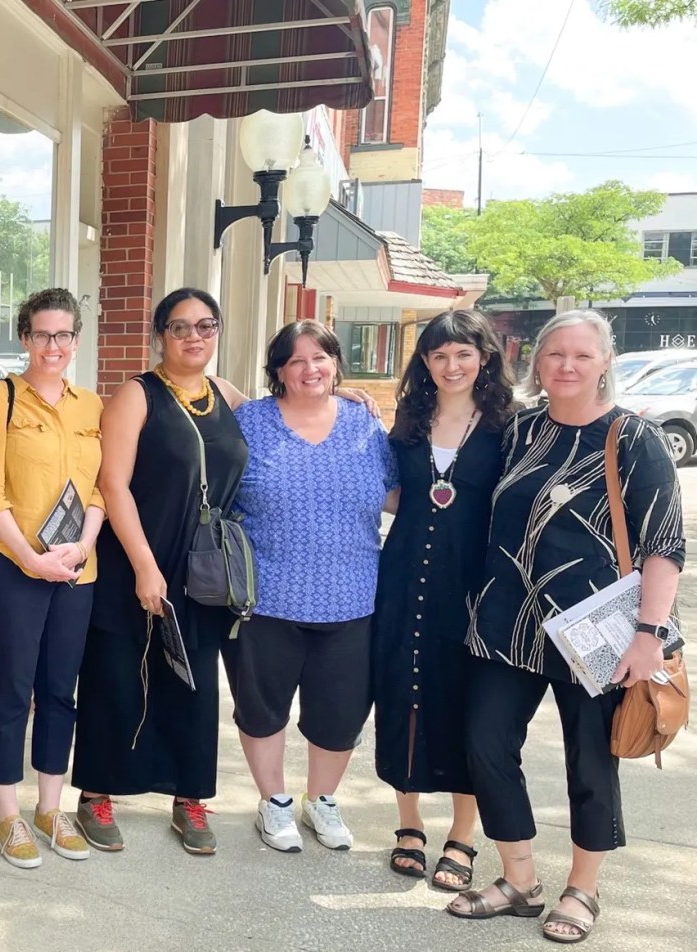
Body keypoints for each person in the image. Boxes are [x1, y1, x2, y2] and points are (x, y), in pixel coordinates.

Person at [451, 309, 685, 942]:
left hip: (596, 636)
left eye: (582, 356)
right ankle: (518, 879)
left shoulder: (634, 439)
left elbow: (663, 547)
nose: (567, 367)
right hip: (506, 625)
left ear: (605, 361)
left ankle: (583, 889)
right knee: (486, 746)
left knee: (590, 760)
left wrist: (648, 634)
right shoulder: (520, 430)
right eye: (555, 355)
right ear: (538, 361)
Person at [71, 287, 250, 855]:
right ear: (160, 335)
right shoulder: (136, 394)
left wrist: (346, 397)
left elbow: (290, 413)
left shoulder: (226, 394)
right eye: (180, 327)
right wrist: (147, 568)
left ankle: (189, 797)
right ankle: (97, 792)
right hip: (137, 558)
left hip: (203, 565)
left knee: (193, 682)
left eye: (205, 325)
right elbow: (113, 485)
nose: (194, 337)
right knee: (117, 676)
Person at [222, 320, 399, 853]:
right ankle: (273, 801)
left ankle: (321, 799)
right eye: (295, 360)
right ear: (278, 370)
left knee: (340, 713)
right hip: (266, 596)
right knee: (261, 706)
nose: (309, 369)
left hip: (351, 597)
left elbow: (396, 498)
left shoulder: (366, 426)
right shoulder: (248, 423)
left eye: (320, 357)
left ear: (336, 363)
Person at [0, 288, 105, 870]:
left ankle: (50, 807)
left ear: (75, 340)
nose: (54, 346)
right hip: (14, 568)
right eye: (43, 334)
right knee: (14, 689)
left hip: (77, 569)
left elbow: (99, 489)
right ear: (24, 338)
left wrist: (85, 544)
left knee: (59, 690)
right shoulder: (1, 399)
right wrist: (29, 558)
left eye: (64, 335)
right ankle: (7, 814)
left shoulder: (92, 406)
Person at [373, 310, 515, 888]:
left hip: (473, 585)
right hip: (404, 578)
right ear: (424, 363)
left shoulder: (509, 426)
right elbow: (384, 492)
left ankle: (462, 836)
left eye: (462, 353)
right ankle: (409, 825)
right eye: (438, 355)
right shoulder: (407, 421)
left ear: (484, 356)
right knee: (402, 693)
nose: (451, 365)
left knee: (466, 707)